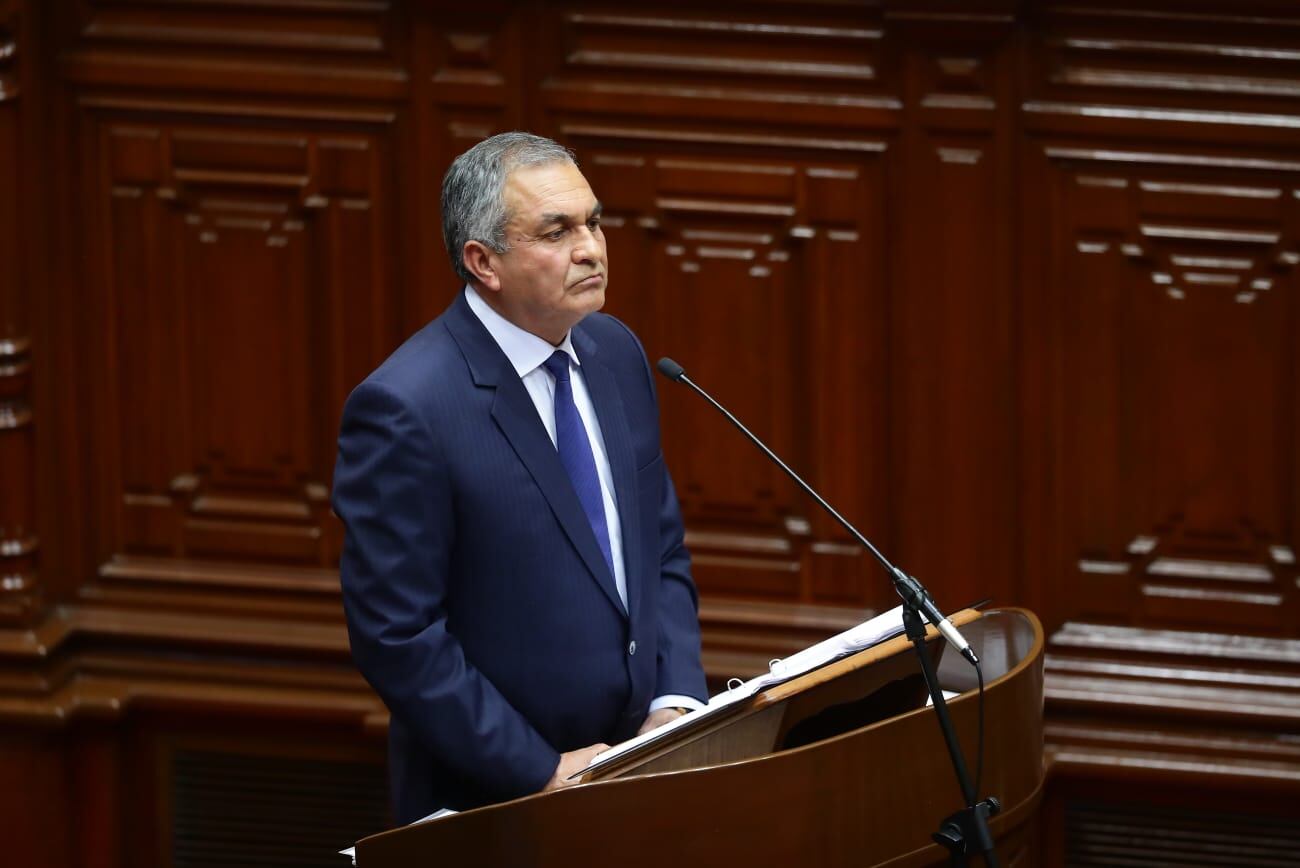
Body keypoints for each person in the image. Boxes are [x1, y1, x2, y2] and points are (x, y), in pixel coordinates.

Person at [333, 132, 708, 824]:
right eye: (555, 231)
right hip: (495, 803)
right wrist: (535, 769)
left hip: (638, 776)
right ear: (483, 262)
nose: (591, 248)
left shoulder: (615, 353)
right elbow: (397, 635)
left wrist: (675, 705)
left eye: (593, 221)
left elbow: (658, 550)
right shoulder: (407, 408)